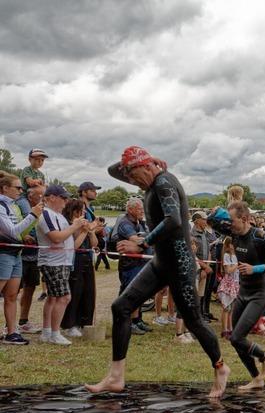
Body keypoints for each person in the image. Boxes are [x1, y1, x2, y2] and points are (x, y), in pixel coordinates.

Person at [86, 146, 229, 399]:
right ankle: (116, 376)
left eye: (133, 176)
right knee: (121, 307)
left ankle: (220, 366)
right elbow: (113, 171)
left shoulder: (163, 183)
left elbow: (173, 221)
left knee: (194, 321)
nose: (131, 182)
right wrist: (141, 161)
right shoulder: (150, 180)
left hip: (180, 264)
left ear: (146, 167)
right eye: (128, 178)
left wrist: (142, 242)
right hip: (161, 262)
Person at [208, 202, 265, 390]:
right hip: (243, 292)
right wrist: (216, 212)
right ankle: (257, 378)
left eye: (231, 221)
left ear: (244, 219)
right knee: (236, 341)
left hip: (259, 293)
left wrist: (255, 269)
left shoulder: (260, 237)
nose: (228, 225)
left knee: (237, 338)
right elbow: (212, 223)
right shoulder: (233, 233)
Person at [37, 185, 86, 345]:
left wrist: (83, 229)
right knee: (64, 297)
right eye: (63, 198)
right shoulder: (47, 214)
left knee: (52, 298)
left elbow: (68, 239)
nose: (66, 201)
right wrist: (75, 226)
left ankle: (47, 332)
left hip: (61, 261)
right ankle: (55, 333)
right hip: (53, 261)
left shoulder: (58, 216)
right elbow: (56, 237)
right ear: (51, 197)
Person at [0, 171, 43, 344]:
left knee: (12, 296)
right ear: (5, 188)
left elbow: (19, 231)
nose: (21, 190)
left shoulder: (13, 205)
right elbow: (12, 231)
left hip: (16, 253)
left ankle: (11, 333)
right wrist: (32, 215)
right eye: (18, 187)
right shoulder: (1, 205)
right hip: (3, 254)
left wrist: (33, 220)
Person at [115, 197, 153, 335]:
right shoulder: (125, 223)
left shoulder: (139, 222)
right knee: (130, 294)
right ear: (130, 209)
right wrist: (143, 243)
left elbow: (145, 241)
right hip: (129, 265)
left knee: (139, 294)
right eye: (139, 209)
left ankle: (137, 320)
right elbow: (137, 240)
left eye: (142, 209)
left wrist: (141, 245)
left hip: (140, 263)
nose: (142, 211)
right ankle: (128, 323)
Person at [61, 199, 98, 337]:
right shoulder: (68, 225)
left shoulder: (84, 225)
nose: (83, 213)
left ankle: (84, 322)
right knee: (75, 291)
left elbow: (94, 244)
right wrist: (83, 232)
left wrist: (91, 231)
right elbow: (74, 246)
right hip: (74, 261)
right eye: (81, 210)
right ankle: (70, 324)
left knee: (88, 291)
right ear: (74, 211)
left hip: (87, 259)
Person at [17, 185, 46, 334]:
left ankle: (23, 321)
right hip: (19, 255)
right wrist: (22, 236)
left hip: (34, 255)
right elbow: (12, 226)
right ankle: (8, 325)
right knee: (13, 290)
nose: (43, 198)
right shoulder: (20, 206)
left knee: (30, 288)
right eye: (40, 195)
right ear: (30, 196)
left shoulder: (42, 209)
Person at [191, 211, 214, 318]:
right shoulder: (191, 235)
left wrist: (207, 266)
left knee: (201, 294)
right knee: (194, 294)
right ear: (197, 220)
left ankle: (200, 315)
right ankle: (194, 316)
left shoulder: (205, 233)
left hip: (205, 268)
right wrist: (204, 267)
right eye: (204, 219)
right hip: (196, 269)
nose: (206, 221)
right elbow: (193, 255)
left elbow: (208, 250)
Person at [218, 236, 239, 339]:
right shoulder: (226, 255)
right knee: (226, 308)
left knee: (232, 309)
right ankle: (224, 329)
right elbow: (228, 270)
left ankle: (231, 328)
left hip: (235, 283)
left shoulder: (235, 256)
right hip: (228, 284)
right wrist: (236, 265)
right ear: (229, 245)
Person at [16, 148, 47, 215]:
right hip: (23, 195)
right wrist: (39, 181)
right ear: (30, 159)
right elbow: (30, 182)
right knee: (28, 213)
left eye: (42, 160)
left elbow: (43, 187)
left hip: (36, 197)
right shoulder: (27, 170)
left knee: (44, 212)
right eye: (36, 159)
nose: (40, 162)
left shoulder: (41, 174)